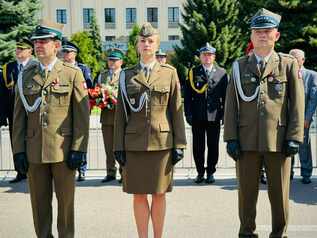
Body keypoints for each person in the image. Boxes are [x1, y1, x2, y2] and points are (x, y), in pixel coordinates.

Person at [224, 8, 304, 237]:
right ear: (251, 36)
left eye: (267, 31)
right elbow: (231, 105)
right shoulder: (239, 66)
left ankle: (279, 234)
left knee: (279, 196)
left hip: (278, 141)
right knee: (246, 195)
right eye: (257, 31)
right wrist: (230, 137)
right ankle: (247, 233)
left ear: (276, 36)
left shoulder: (288, 65)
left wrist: (294, 137)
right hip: (246, 141)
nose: (262, 35)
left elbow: (297, 103)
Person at [12, 20, 90, 237]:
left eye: (44, 41)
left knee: (66, 205)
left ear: (56, 45)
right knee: (38, 205)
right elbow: (18, 118)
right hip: (34, 151)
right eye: (36, 41)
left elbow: (82, 117)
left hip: (63, 151)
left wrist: (79, 149)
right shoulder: (25, 75)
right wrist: (18, 150)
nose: (38, 45)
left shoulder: (71, 73)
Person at [113, 22, 186, 238]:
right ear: (137, 45)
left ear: (157, 45)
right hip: (133, 144)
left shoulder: (169, 73)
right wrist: (118, 146)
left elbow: (176, 111)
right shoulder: (126, 75)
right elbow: (121, 115)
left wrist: (179, 143)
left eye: (150, 41)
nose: (146, 44)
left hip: (162, 144)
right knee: (138, 195)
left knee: (160, 194)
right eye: (142, 41)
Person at [184, 42, 228, 184]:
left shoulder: (222, 72)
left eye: (210, 55)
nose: (207, 57)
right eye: (204, 55)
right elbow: (188, 96)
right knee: (198, 146)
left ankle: (210, 172)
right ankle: (200, 172)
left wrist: (224, 115)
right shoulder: (193, 72)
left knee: (213, 146)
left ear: (214, 57)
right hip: (197, 116)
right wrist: (188, 114)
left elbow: (225, 96)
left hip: (214, 116)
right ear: (200, 57)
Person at [1, 38, 34, 183]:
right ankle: (20, 172)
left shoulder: (36, 66)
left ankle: (34, 171)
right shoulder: (8, 68)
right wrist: (2, 115)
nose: (18, 51)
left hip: (31, 111)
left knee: (33, 141)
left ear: (30, 51)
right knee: (16, 142)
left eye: (21, 49)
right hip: (13, 113)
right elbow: (2, 93)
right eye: (17, 49)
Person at [62, 40, 93, 181]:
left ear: (75, 54)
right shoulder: (59, 68)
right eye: (64, 52)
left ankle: (82, 169)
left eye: (68, 52)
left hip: (79, 108)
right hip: (64, 111)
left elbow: (89, 87)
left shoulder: (83, 68)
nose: (65, 54)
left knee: (80, 138)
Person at [95, 48, 124, 183]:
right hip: (106, 116)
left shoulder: (124, 75)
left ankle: (124, 173)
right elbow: (96, 92)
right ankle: (110, 172)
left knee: (121, 146)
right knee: (108, 146)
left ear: (121, 62)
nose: (111, 62)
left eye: (114, 60)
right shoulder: (102, 75)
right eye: (110, 60)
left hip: (121, 117)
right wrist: (99, 99)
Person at [289, 49, 317, 184]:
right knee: (287, 145)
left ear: (303, 60)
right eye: (291, 58)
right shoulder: (285, 74)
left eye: (296, 59)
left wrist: (307, 118)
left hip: (303, 118)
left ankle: (306, 173)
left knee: (304, 146)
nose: (293, 61)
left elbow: (313, 100)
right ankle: (288, 172)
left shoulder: (312, 75)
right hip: (287, 118)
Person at [245, 41, 267, 185]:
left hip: (265, 118)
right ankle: (255, 173)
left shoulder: (267, 67)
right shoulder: (241, 68)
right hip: (249, 120)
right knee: (252, 149)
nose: (252, 54)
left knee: (265, 147)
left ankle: (264, 172)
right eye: (250, 52)